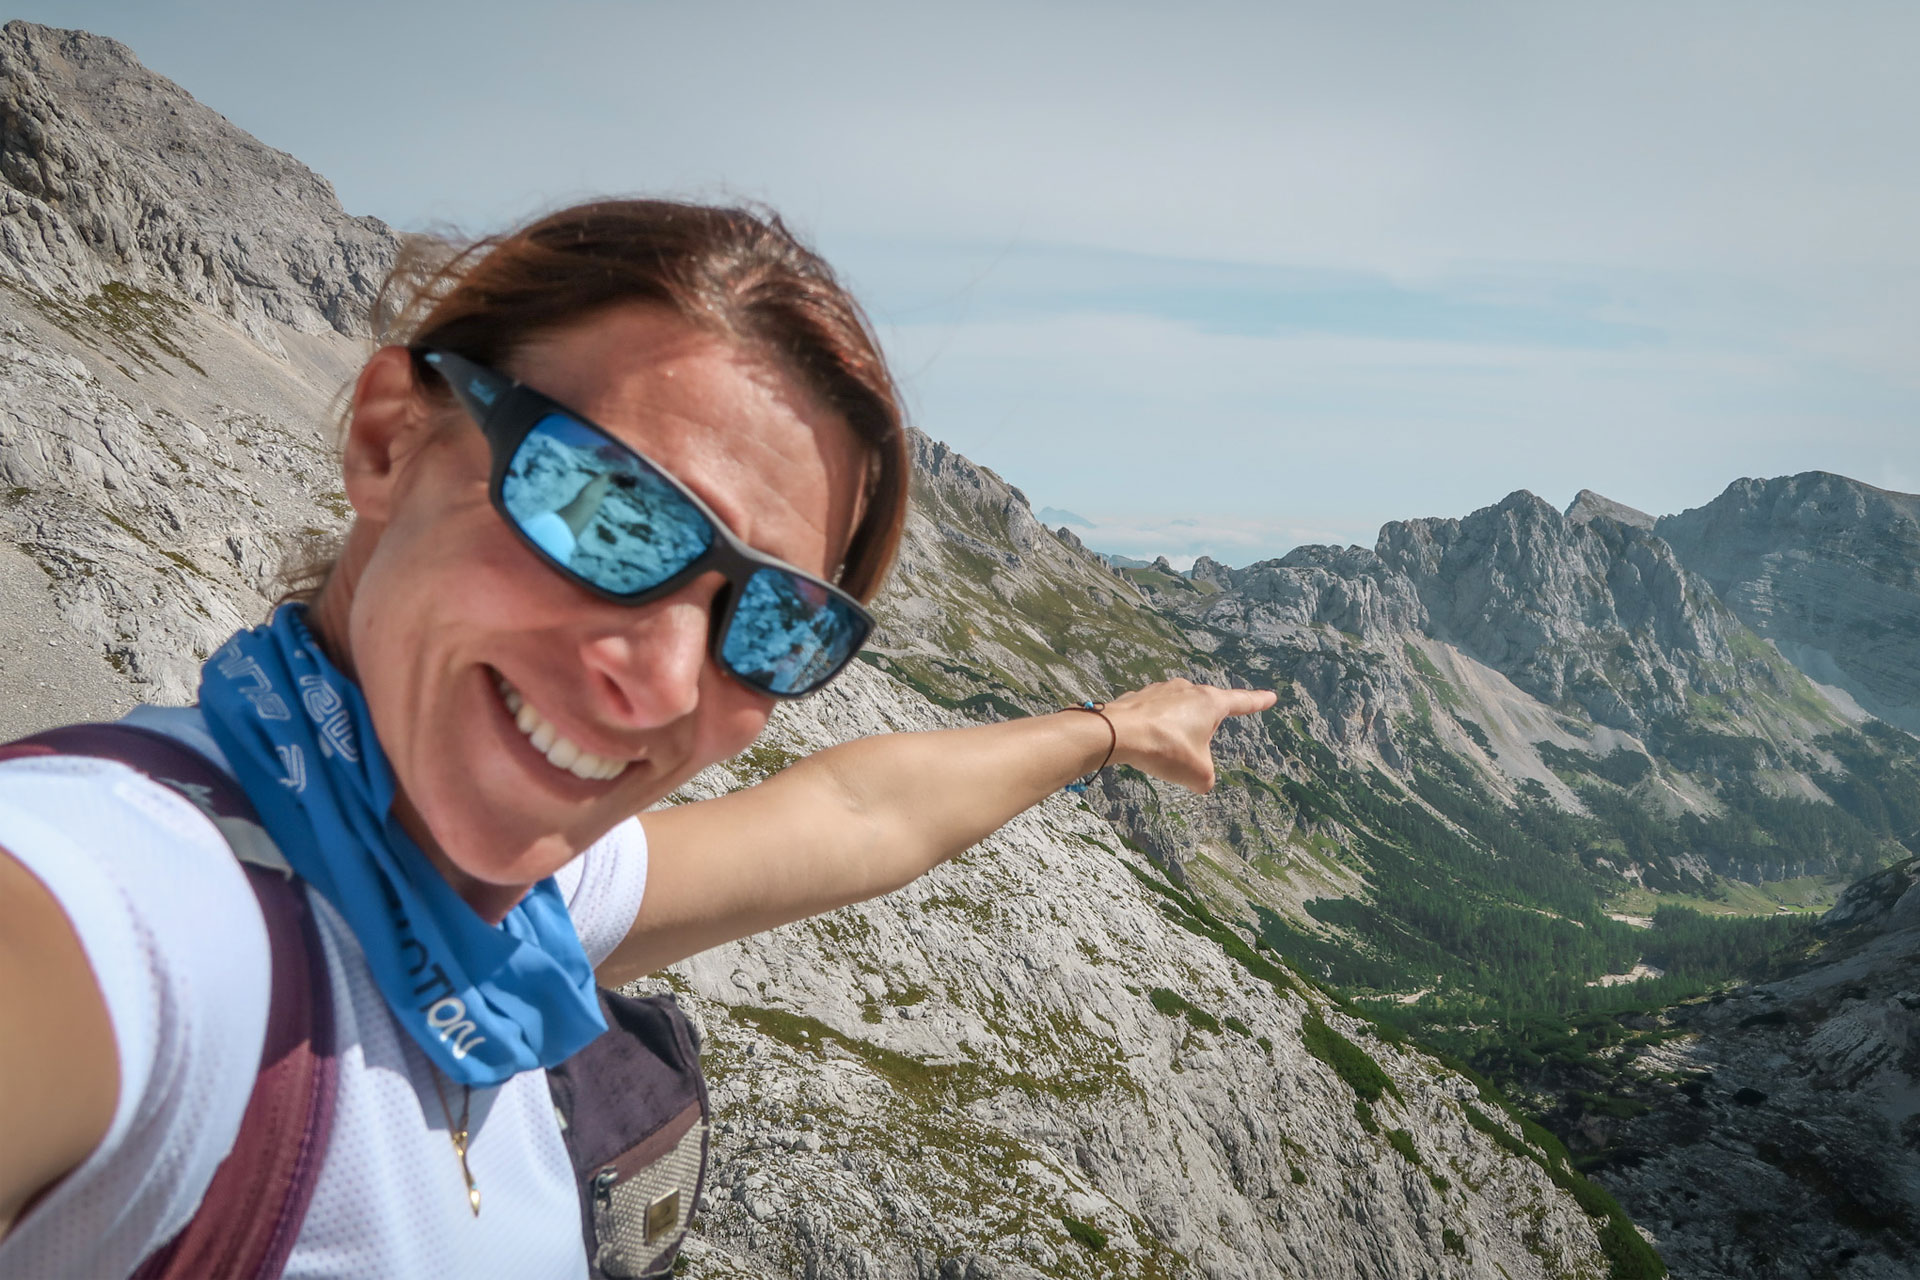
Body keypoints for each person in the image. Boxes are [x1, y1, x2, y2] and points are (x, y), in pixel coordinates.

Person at [0, 199, 1273, 1278]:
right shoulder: (143, 913)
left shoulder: (504, 899)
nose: (665, 683)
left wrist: (1116, 729)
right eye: (607, 511)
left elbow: (854, 817)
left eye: (774, 623)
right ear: (391, 440)